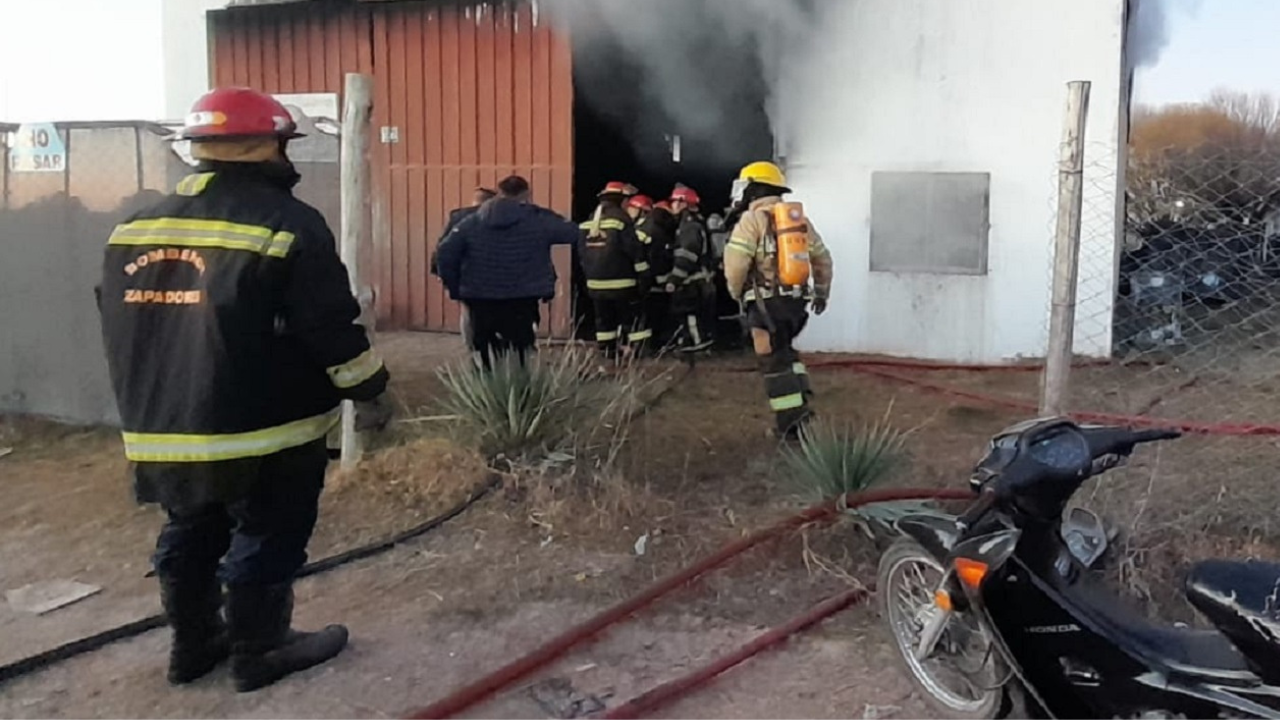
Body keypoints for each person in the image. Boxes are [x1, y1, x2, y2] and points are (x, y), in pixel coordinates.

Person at [96, 87, 391, 692]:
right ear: (265, 146)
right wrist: (371, 390)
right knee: (267, 531)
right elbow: (327, 324)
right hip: (265, 426)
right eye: (284, 144)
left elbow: (118, 315)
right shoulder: (287, 222)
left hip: (167, 423)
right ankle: (259, 649)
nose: (288, 157)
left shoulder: (134, 223)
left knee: (188, 529)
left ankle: (194, 647)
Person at [723, 161, 834, 439]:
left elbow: (736, 265)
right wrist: (821, 293)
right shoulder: (798, 221)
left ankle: (791, 427)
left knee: (772, 362)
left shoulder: (752, 220)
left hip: (765, 305)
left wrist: (736, 293)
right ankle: (803, 407)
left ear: (754, 188)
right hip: (796, 304)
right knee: (785, 351)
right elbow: (823, 260)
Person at [437, 175, 578, 368]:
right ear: (526, 194)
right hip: (522, 297)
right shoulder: (537, 220)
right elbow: (572, 233)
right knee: (520, 350)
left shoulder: (469, 221)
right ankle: (518, 391)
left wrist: (455, 288)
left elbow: (444, 253)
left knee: (484, 350)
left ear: (499, 192)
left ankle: (486, 389)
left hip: (480, 297)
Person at [579, 181, 652, 359]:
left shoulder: (591, 220)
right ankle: (638, 350)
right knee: (631, 318)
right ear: (620, 200)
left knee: (604, 320)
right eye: (627, 200)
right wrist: (644, 275)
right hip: (622, 283)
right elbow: (634, 250)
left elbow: (582, 252)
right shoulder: (621, 219)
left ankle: (607, 351)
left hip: (595, 284)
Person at [430, 186, 496, 350]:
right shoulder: (498, 217)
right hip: (495, 275)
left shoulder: (458, 217)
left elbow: (442, 248)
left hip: (466, 276)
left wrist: (438, 271)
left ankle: (472, 349)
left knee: (468, 312)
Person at [667, 185, 716, 354]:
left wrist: (674, 279)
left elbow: (687, 254)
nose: (671, 205)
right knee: (696, 314)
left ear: (683, 203)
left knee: (689, 313)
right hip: (701, 280)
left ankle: (698, 345)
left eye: (673, 201)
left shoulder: (688, 226)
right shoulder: (695, 223)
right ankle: (693, 342)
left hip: (693, 282)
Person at [638, 200, 680, 350]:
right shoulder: (660, 232)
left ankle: (643, 346)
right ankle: (655, 345)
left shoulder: (641, 226)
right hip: (654, 284)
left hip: (639, 281)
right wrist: (666, 281)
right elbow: (660, 260)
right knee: (657, 315)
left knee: (641, 315)